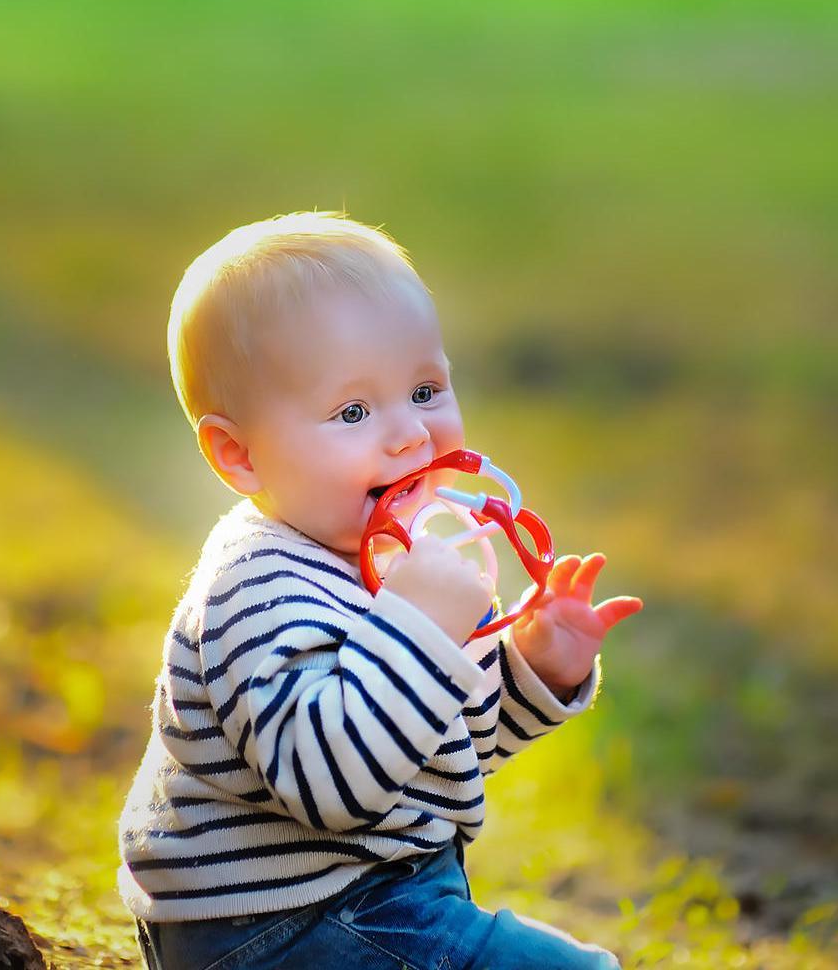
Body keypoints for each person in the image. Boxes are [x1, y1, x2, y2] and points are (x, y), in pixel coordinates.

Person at [118, 211, 643, 969]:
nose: (409, 435)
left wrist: (533, 665)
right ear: (240, 456)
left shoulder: (398, 563)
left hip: (375, 894)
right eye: (353, 412)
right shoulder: (256, 586)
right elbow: (331, 787)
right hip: (277, 924)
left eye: (427, 390)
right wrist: (421, 626)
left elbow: (431, 748)